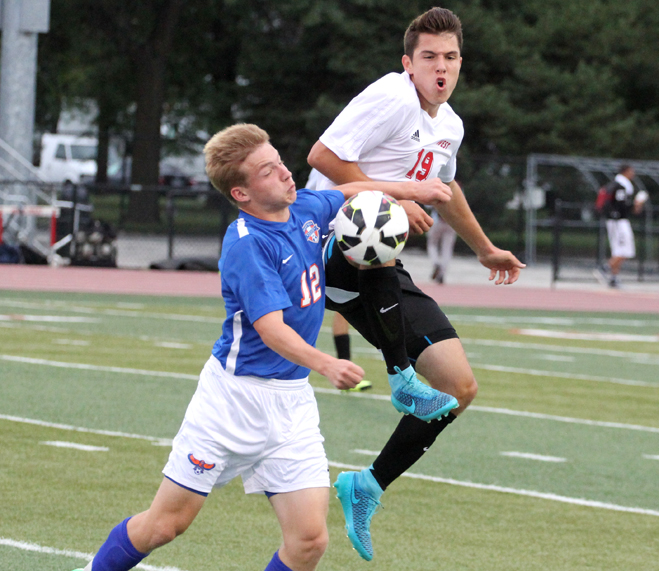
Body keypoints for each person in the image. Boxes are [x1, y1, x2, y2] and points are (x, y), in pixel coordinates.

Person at [72, 123, 452, 571]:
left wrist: (410, 190)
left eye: (280, 162)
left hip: (290, 404)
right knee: (165, 525)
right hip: (232, 401)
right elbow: (272, 330)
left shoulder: (306, 208)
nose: (286, 174)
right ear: (241, 194)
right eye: (268, 171)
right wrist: (326, 364)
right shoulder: (247, 246)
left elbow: (351, 188)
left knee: (309, 541)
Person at [307, 7, 525, 561]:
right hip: (327, 242)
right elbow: (323, 158)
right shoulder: (392, 96)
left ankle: (368, 486)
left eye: (450, 57)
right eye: (429, 57)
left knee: (458, 389)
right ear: (409, 63)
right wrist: (399, 196)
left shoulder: (448, 124)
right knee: (383, 216)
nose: (441, 67)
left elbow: (445, 192)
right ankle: (400, 373)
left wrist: (485, 249)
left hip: (376, 259)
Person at [306, 168, 371, 391]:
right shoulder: (325, 167)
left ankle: (346, 367)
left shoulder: (357, 165)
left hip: (341, 239)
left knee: (343, 307)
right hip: (320, 240)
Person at [596, 165, 643, 287]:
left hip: (616, 221)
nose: (633, 173)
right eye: (631, 171)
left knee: (619, 250)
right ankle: (604, 269)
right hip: (618, 221)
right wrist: (635, 204)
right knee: (624, 250)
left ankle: (614, 277)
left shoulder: (617, 185)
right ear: (625, 171)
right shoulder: (620, 186)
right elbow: (621, 205)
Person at [427, 208, 457, 284]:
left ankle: (436, 262)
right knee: (447, 249)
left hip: (437, 220)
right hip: (452, 222)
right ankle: (442, 273)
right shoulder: (460, 196)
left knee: (432, 244)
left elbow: (428, 205)